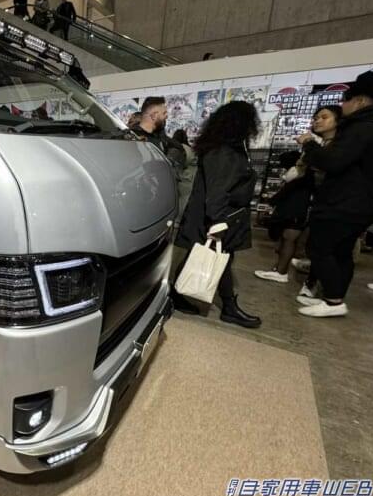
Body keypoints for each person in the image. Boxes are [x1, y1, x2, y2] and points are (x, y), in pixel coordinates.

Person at [295, 69, 373, 317]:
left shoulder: (364, 128)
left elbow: (333, 162)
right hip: (362, 203)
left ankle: (334, 301)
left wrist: (309, 144)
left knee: (320, 248)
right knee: (341, 252)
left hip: (344, 202)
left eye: (345, 100)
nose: (342, 105)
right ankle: (334, 298)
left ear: (360, 101)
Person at [173, 101, 261, 328]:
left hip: (221, 215)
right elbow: (218, 191)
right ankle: (229, 307)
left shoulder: (223, 149)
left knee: (206, 256)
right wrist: (219, 221)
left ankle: (177, 295)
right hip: (220, 217)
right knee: (219, 258)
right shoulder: (224, 152)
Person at [255, 106, 342, 285]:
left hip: (318, 202)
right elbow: (301, 171)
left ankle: (309, 284)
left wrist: (308, 145)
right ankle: (285, 272)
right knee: (290, 236)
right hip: (309, 201)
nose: (317, 121)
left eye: (324, 117)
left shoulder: (337, 147)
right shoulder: (319, 146)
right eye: (315, 117)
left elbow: (320, 169)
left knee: (295, 237)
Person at [129, 96, 187, 173]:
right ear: (153, 116)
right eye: (164, 113)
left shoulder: (162, 138)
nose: (167, 116)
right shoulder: (130, 138)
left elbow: (180, 150)